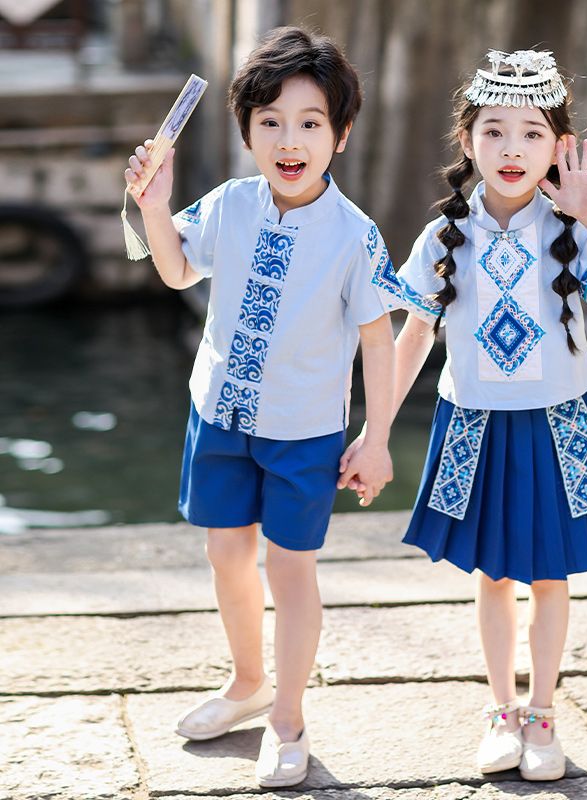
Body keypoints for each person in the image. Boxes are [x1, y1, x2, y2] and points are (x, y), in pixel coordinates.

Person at [340, 48, 587, 781]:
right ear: (467, 142)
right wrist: (376, 431)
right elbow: (414, 335)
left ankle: (543, 712)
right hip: (473, 424)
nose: (511, 149)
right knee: (490, 575)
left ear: (557, 146)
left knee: (551, 576)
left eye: (530, 133)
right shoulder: (440, 238)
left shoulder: (571, 228)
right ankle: (500, 709)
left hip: (560, 423)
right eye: (493, 131)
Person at [124, 26, 395, 788]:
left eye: (311, 122)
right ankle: (246, 683)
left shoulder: (355, 236)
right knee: (224, 554)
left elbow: (379, 340)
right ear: (246, 128)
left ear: (339, 136)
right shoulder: (231, 204)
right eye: (270, 120)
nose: (289, 139)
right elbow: (176, 270)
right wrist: (154, 202)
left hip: (305, 431)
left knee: (293, 569)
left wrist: (375, 439)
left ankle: (288, 716)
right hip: (218, 413)